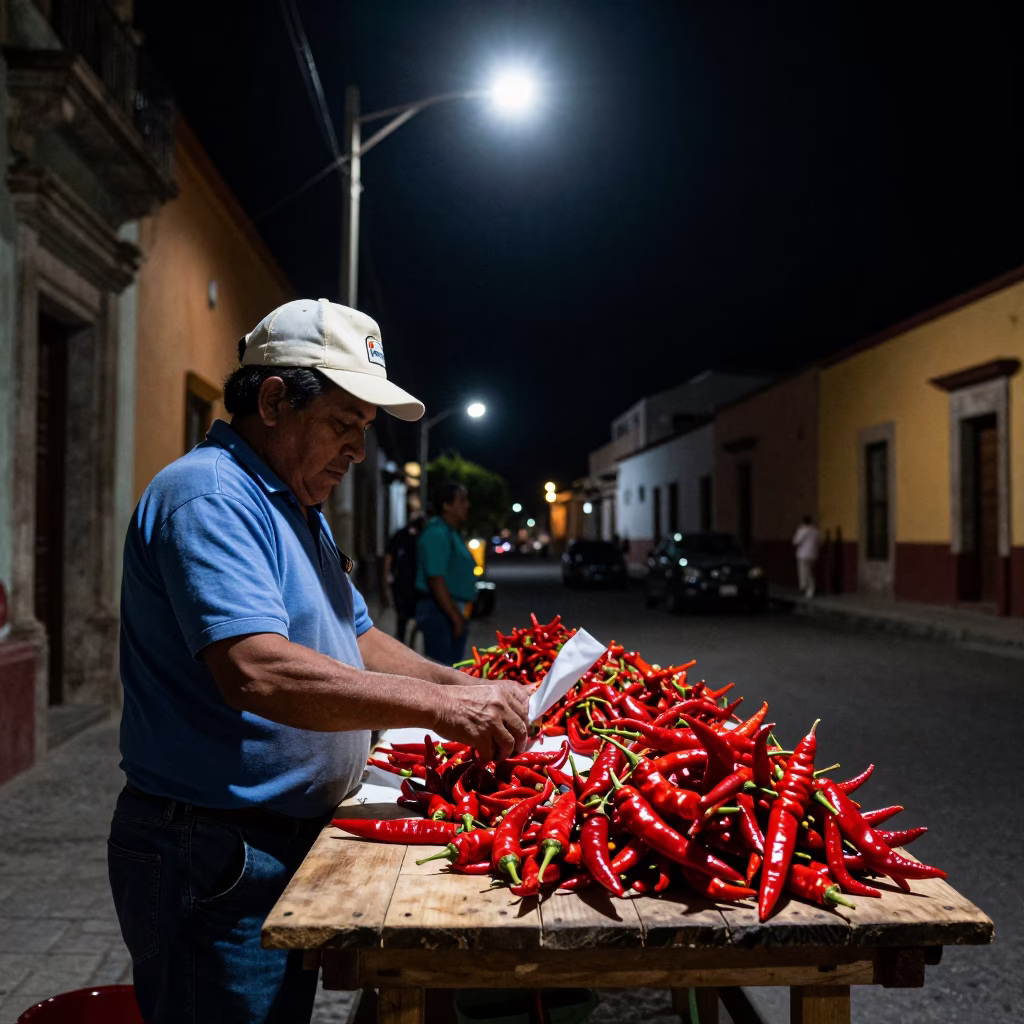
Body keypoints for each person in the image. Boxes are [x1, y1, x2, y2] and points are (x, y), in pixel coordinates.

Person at [108, 299, 529, 1024]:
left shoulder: (295, 506)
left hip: (276, 841)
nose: (358, 453)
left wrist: (466, 683)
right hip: (211, 849)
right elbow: (256, 670)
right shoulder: (209, 495)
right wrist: (441, 709)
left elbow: (355, 635)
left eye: (364, 432)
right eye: (343, 425)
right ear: (274, 400)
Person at [415, 481, 478, 665]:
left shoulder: (451, 532)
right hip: (440, 610)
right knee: (443, 673)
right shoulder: (437, 533)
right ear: (446, 505)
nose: (467, 505)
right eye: (462, 500)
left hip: (450, 608)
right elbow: (435, 579)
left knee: (451, 667)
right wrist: (455, 617)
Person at [381, 516, 425, 645]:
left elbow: (387, 561)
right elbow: (388, 560)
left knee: (403, 618)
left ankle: (404, 644)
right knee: (408, 618)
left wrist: (384, 586)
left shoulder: (401, 535)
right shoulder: (420, 537)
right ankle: (406, 645)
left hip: (403, 584)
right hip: (410, 584)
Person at [792, 514, 822, 598]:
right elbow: (819, 543)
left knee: (804, 572)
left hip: (803, 554)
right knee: (810, 572)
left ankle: (808, 588)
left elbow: (796, 541)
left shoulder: (802, 530)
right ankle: (807, 588)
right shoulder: (816, 531)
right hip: (813, 555)